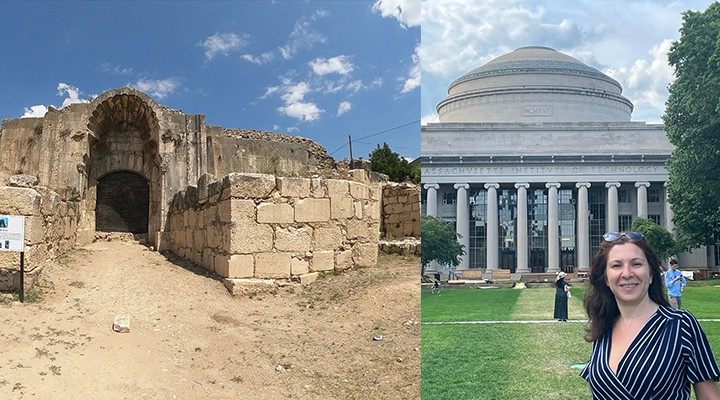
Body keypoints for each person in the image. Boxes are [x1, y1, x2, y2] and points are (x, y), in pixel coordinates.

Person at [581, 231, 720, 399]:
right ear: (605, 278)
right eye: (616, 265)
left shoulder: (681, 325)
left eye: (636, 264)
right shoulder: (604, 328)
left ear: (652, 274)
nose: (626, 273)